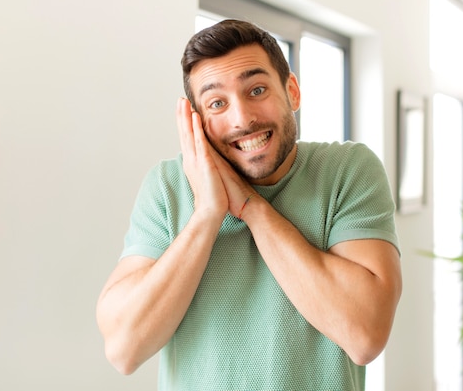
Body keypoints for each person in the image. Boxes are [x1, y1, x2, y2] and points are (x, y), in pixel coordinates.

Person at [96, 19, 402, 390]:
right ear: (198, 123)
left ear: (292, 91)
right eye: (217, 103)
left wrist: (251, 208)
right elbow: (124, 350)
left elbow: (365, 335)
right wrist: (207, 213)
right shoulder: (168, 186)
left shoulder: (346, 171)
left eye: (256, 89)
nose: (242, 118)